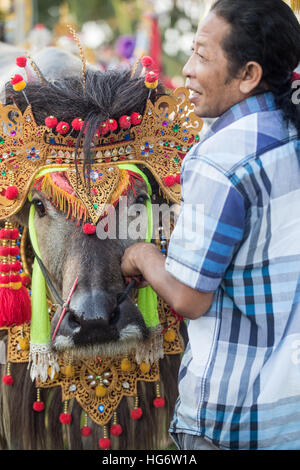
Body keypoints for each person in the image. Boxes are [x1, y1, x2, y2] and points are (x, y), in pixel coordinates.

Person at [121, 0, 300, 450]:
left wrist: (142, 254)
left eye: (202, 55)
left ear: (249, 75)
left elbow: (188, 297)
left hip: (235, 419)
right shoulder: (288, 132)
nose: (186, 70)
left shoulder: (219, 159)